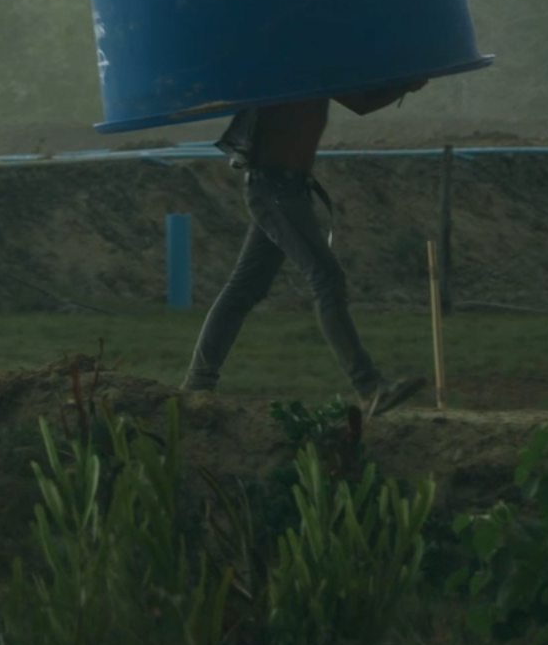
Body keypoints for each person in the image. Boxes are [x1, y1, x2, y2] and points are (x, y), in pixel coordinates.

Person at [182, 83, 428, 416]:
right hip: (273, 188)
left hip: (288, 189)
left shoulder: (318, 70)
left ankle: (197, 384)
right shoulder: (284, 67)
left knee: (244, 289)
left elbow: (360, 102)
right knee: (325, 277)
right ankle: (369, 386)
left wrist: (404, 86)